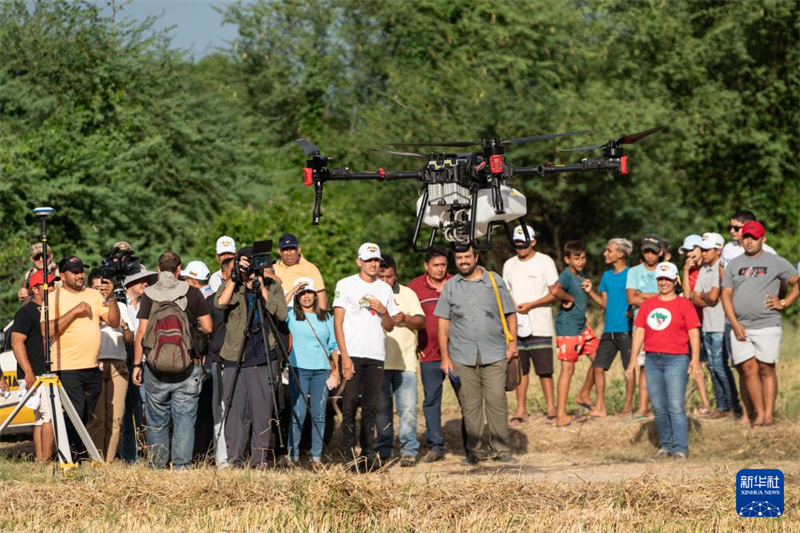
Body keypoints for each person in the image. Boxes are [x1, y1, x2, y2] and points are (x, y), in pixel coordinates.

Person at [435, 245, 518, 465]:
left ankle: (502, 450)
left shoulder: (493, 280)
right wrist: (445, 357)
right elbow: (443, 324)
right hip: (462, 355)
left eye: (467, 256)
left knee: (496, 401)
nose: (463, 261)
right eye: (459, 257)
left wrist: (512, 343)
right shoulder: (450, 286)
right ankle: (475, 452)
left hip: (495, 352)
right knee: (470, 406)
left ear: (476, 257)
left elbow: (510, 313)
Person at [132, 252, 212, 469]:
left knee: (157, 421)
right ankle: (181, 467)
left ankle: (157, 466)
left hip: (155, 368)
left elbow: (141, 332)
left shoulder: (149, 294)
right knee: (184, 420)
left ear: (159, 270)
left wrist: (137, 364)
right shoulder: (194, 293)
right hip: (188, 366)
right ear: (179, 270)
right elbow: (208, 327)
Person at [40, 255, 120, 459]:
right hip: (66, 366)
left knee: (86, 414)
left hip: (92, 367)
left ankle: (72, 452)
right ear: (62, 275)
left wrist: (111, 299)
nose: (80, 275)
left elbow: (113, 321)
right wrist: (75, 311)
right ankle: (69, 456)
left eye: (81, 271)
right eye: (74, 272)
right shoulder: (53, 297)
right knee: (75, 412)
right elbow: (46, 330)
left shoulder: (93, 294)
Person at [215, 248, 288, 469]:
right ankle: (235, 460)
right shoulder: (232, 283)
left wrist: (262, 287)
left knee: (262, 413)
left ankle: (260, 461)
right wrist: (236, 277)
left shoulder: (272, 285)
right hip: (234, 357)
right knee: (234, 412)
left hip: (263, 357)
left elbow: (282, 314)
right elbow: (220, 303)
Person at [721, 221, 798, 428]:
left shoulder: (776, 261)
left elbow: (796, 283)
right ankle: (758, 416)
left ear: (763, 239)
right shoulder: (734, 265)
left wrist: (783, 303)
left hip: (767, 324)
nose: (749, 241)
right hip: (741, 326)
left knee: (766, 368)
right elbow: (726, 295)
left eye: (754, 237)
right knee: (748, 369)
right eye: (746, 236)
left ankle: (768, 418)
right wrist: (734, 323)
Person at [333, 242, 399, 471]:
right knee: (350, 405)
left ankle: (368, 455)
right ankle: (348, 455)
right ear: (359, 261)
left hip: (375, 355)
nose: (373, 264)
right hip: (353, 354)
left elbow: (390, 326)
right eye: (368, 260)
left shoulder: (385, 289)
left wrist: (384, 310)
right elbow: (338, 322)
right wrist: (345, 356)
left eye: (376, 260)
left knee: (371, 407)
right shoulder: (346, 284)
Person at [626, 262, 702, 459]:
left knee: (676, 405)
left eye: (667, 279)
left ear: (675, 280)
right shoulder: (648, 305)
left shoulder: (684, 304)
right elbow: (639, 331)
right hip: (652, 359)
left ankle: (680, 449)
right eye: (660, 279)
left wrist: (695, 360)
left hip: (676, 359)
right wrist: (633, 360)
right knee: (659, 406)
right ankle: (666, 446)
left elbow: (693, 333)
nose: (663, 282)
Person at [502, 225, 559, 425]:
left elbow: (555, 292)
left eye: (524, 243)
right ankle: (521, 410)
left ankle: (551, 408)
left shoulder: (545, 262)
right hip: (516, 325)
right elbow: (505, 293)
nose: (521, 247)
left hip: (540, 322)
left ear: (533, 242)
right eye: (517, 243)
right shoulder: (509, 264)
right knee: (520, 369)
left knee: (544, 369)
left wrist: (532, 304)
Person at [376, 255, 425, 467]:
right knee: (382, 410)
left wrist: (406, 318)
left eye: (390, 276)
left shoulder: (407, 293)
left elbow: (421, 321)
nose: (386, 281)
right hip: (378, 361)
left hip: (405, 362)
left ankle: (409, 450)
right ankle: (384, 449)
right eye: (382, 276)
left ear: (395, 274)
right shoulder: (371, 295)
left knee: (407, 410)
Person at [285, 277, 339, 468]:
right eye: (302, 293)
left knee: (319, 414)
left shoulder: (327, 317)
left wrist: (336, 369)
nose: (306, 297)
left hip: (322, 370)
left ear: (315, 295)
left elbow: (333, 344)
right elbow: (277, 311)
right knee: (297, 413)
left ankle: (316, 457)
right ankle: (293, 455)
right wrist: (292, 291)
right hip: (298, 369)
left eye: (309, 293)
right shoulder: (291, 315)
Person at [407, 246, 453, 463]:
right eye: (435, 265)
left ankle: (473, 445)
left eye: (443, 264)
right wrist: (415, 343)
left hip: (458, 353)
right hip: (429, 354)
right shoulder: (415, 287)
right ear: (426, 266)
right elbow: (410, 318)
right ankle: (435, 446)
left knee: (467, 399)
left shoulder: (456, 283)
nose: (440, 269)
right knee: (432, 399)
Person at [691, 232, 741, 420]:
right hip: (708, 325)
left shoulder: (722, 269)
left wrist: (704, 297)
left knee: (721, 366)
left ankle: (732, 407)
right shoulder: (704, 269)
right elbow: (698, 298)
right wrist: (706, 297)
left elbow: (711, 297)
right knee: (712, 367)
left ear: (718, 250)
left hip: (720, 325)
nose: (702, 253)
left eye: (706, 249)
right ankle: (721, 406)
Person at [549, 241, 599, 427]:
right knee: (567, 370)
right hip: (568, 328)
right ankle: (561, 414)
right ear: (567, 259)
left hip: (582, 327)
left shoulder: (579, 275)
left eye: (583, 257)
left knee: (601, 359)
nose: (581, 261)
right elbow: (554, 289)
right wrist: (568, 298)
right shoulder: (567, 275)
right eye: (576, 258)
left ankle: (583, 394)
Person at [586, 238, 635, 418]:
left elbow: (636, 298)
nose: (605, 253)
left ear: (620, 254)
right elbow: (605, 304)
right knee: (598, 366)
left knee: (628, 369)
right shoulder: (606, 276)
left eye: (609, 250)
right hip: (608, 330)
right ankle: (600, 407)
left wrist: (633, 313)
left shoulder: (631, 274)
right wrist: (590, 291)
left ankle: (627, 407)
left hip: (626, 330)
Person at [87, 270, 133, 462]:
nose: (101, 291)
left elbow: (130, 339)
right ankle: (94, 458)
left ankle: (109, 460)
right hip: (94, 362)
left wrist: (122, 325)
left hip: (118, 363)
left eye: (104, 287)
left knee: (115, 416)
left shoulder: (120, 306)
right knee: (97, 417)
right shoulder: (87, 305)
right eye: (96, 287)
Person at [11, 270, 56, 461]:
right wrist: (28, 372)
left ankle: (40, 460)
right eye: (49, 285)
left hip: (45, 372)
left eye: (54, 284)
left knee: (41, 418)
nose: (53, 288)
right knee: (50, 416)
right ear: (36, 289)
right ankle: (45, 461)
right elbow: (16, 341)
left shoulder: (50, 309)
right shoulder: (27, 311)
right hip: (36, 373)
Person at [119, 268, 157, 464]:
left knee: (147, 412)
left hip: (144, 363)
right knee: (127, 415)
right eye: (141, 280)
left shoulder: (149, 304)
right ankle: (129, 457)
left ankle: (153, 455)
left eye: (147, 280)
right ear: (128, 284)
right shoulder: (117, 304)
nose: (145, 283)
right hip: (123, 364)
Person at [625, 233, 664, 420]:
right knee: (644, 365)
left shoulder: (666, 270)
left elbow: (671, 297)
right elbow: (631, 298)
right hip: (641, 324)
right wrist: (657, 296)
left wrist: (644, 296)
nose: (650, 256)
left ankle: (662, 407)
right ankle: (642, 408)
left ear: (661, 252)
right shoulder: (634, 271)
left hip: (664, 324)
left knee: (665, 364)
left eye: (653, 252)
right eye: (646, 252)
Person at [199, 257, 233, 467]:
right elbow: (206, 333)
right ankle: (222, 461)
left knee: (239, 411)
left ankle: (237, 454)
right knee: (219, 411)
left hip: (244, 362)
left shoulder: (248, 297)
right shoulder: (213, 300)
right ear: (225, 275)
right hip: (219, 361)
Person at [679, 235, 712, 416]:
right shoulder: (688, 271)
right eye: (686, 251)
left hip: (708, 321)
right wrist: (685, 271)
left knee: (711, 364)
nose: (689, 254)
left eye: (692, 249)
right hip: (692, 324)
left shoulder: (709, 269)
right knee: (692, 363)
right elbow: (687, 297)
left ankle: (720, 404)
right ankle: (701, 404)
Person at [274, 233, 328, 309]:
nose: (289, 253)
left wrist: (322, 317)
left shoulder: (310, 268)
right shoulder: (273, 268)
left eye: (292, 249)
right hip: (278, 313)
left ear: (299, 249)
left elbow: (321, 294)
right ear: (279, 251)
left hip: (302, 315)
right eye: (285, 249)